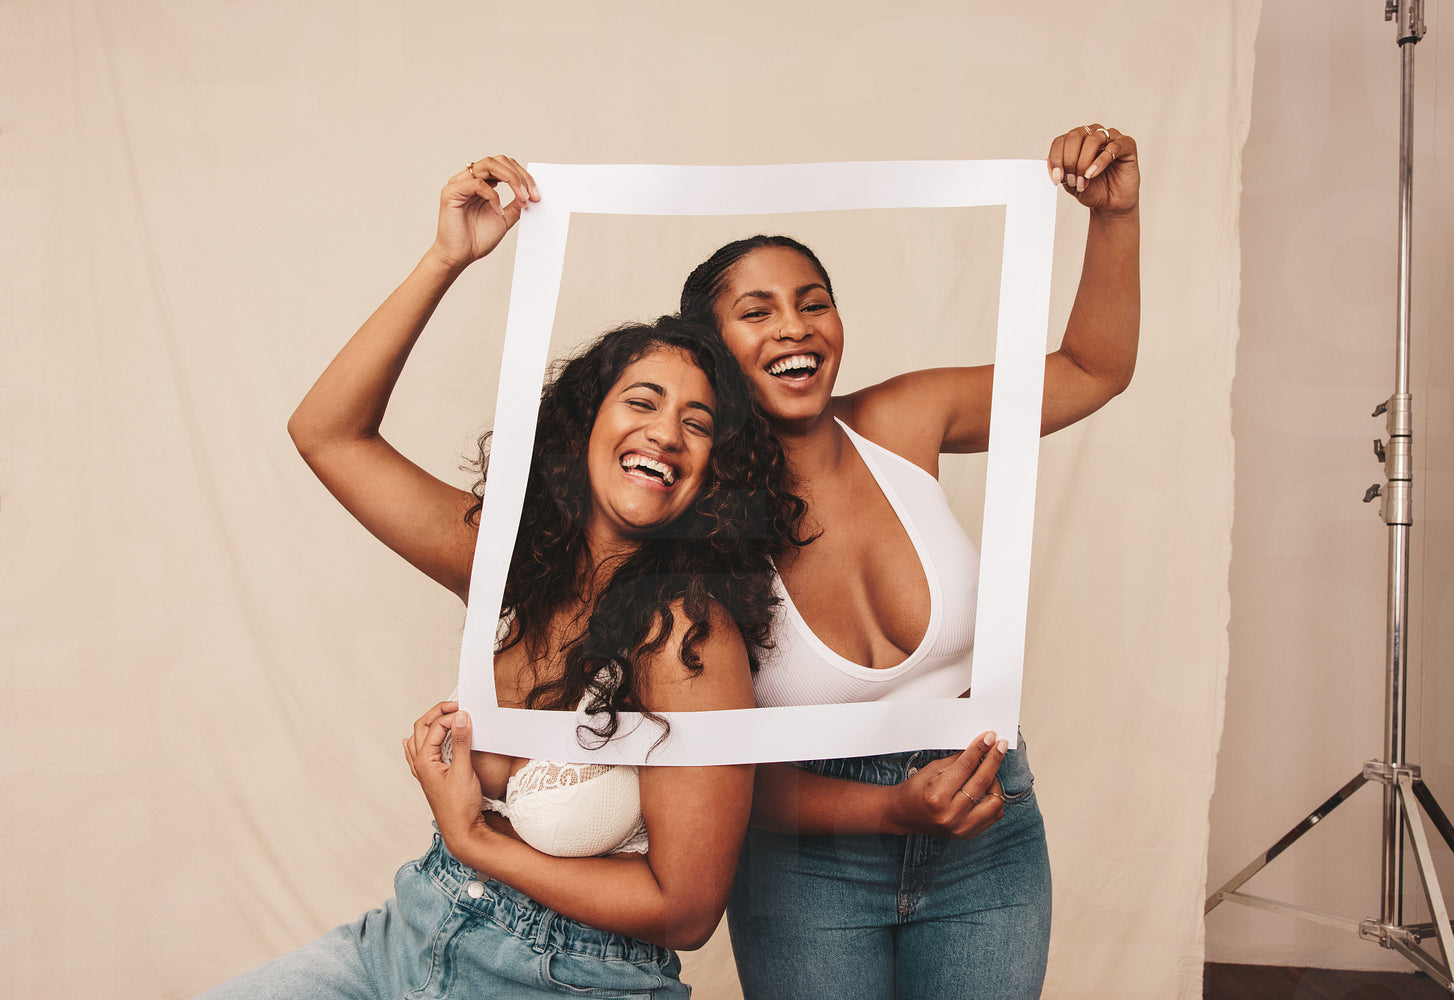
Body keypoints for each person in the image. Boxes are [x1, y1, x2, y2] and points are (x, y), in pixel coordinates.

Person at [197, 158, 805, 999]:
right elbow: (326, 434)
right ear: (583, 425)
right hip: (411, 933)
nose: (666, 434)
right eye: (641, 402)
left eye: (697, 424)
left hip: (567, 976)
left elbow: (686, 908)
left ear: (714, 473)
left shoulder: (687, 639)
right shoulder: (511, 565)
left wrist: (477, 838)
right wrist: (447, 257)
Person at [674, 125, 1141, 999]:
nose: (794, 326)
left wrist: (1114, 217)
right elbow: (711, 767)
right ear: (710, 349)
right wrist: (888, 808)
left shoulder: (902, 420)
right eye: (757, 311)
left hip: (986, 826)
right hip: (806, 861)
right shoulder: (690, 518)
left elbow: (1091, 369)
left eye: (813, 301)